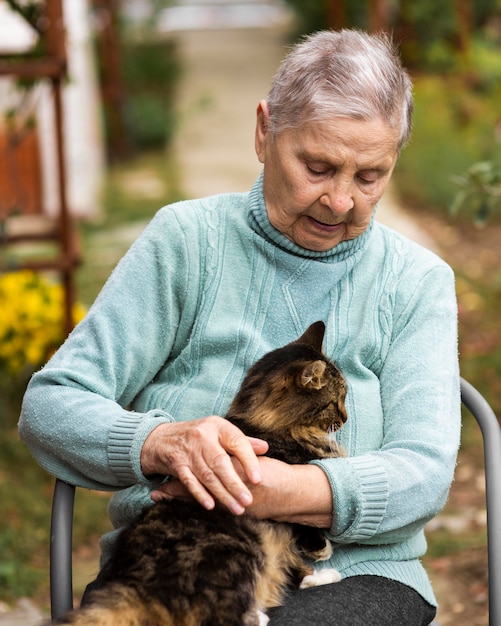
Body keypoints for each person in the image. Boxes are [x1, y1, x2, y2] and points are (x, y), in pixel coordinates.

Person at [19, 29, 460, 625]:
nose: (340, 201)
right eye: (318, 166)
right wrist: (158, 443)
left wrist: (282, 491)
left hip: (355, 574)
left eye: (369, 176)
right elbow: (51, 406)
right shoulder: (186, 243)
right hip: (172, 569)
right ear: (264, 131)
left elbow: (424, 471)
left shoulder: (416, 281)